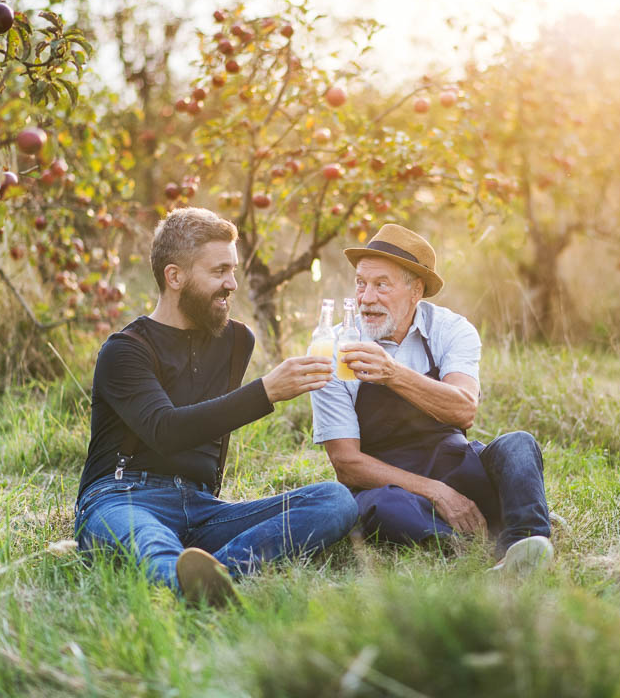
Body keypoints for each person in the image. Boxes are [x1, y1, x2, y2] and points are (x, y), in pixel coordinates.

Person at [75, 207, 358, 607]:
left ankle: (212, 573)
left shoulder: (236, 342)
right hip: (123, 497)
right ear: (175, 277)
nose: (231, 284)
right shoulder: (124, 351)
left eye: (233, 270)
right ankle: (183, 582)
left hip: (203, 508)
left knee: (335, 500)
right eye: (218, 271)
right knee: (151, 542)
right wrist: (266, 392)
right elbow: (166, 430)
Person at [309, 224, 553, 574]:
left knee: (518, 445)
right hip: (391, 485)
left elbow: (463, 409)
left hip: (456, 464)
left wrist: (392, 373)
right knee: (382, 508)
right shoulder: (332, 348)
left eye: (381, 285)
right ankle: (477, 536)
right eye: (361, 283)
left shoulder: (451, 330)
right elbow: (346, 463)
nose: (366, 298)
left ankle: (523, 545)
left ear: (415, 290)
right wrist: (435, 492)